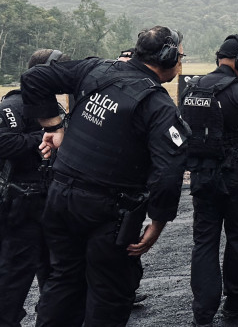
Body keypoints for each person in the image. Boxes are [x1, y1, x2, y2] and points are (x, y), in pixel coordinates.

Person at [19, 26, 189, 326]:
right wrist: (158, 222)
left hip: (59, 199)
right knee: (109, 294)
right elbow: (168, 173)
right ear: (168, 56)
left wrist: (52, 126)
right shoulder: (158, 105)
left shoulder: (96, 69)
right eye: (180, 56)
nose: (181, 63)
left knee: (63, 282)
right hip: (107, 211)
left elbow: (34, 78)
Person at [179, 34, 238, 326]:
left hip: (202, 177)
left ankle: (203, 312)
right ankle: (236, 299)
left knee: (204, 241)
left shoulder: (191, 90)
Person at [0, 49, 66, 326]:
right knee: (15, 276)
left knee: (54, 273)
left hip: (48, 201)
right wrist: (43, 138)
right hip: (22, 202)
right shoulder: (14, 104)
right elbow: (3, 142)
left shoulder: (52, 107)